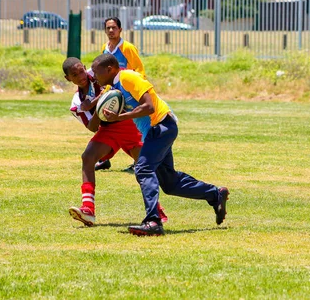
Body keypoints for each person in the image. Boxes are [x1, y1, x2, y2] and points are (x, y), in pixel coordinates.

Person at [91, 53, 229, 236]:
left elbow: (149, 107)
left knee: (143, 169)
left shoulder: (128, 77)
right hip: (156, 131)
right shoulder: (114, 86)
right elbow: (96, 121)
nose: (94, 75)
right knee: (170, 183)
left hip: (162, 126)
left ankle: (153, 222)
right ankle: (215, 194)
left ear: (109, 69)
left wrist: (119, 117)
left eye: (96, 71)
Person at [63, 57, 168, 226]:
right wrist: (99, 108)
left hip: (128, 124)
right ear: (68, 79)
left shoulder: (99, 72)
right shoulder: (77, 103)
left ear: (84, 67)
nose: (81, 76)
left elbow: (119, 75)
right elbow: (92, 127)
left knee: (144, 168)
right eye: (74, 75)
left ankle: (156, 210)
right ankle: (88, 209)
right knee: (88, 157)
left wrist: (98, 100)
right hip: (108, 130)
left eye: (81, 70)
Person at [101, 16, 145, 172]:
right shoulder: (105, 48)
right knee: (108, 124)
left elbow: (140, 70)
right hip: (113, 96)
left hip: (128, 96)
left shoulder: (127, 48)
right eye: (108, 28)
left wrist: (136, 93)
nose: (111, 30)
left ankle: (140, 162)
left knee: (134, 129)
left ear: (120, 29)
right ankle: (103, 158)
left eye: (114, 27)